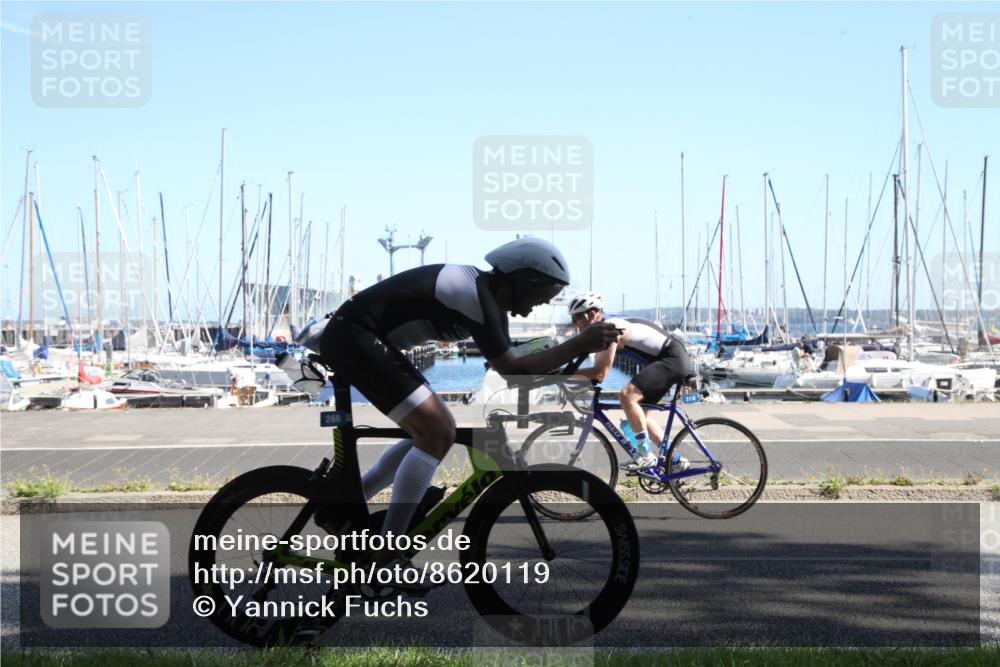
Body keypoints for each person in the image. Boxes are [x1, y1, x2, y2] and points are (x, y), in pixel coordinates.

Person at [318, 238, 621, 577]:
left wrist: (568, 361)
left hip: (362, 338)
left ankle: (349, 504)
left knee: (428, 430)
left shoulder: (488, 299)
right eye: (541, 296)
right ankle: (388, 554)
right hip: (356, 337)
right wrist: (578, 343)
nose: (539, 306)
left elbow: (518, 368)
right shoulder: (480, 298)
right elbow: (512, 370)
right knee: (436, 431)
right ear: (525, 281)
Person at [567, 292, 693, 470]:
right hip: (667, 359)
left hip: (671, 359)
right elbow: (583, 357)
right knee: (639, 414)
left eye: (577, 317)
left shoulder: (610, 328)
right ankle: (676, 461)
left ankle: (645, 455)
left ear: (592, 314)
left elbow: (599, 373)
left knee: (627, 396)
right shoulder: (604, 330)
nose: (574, 323)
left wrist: (564, 375)